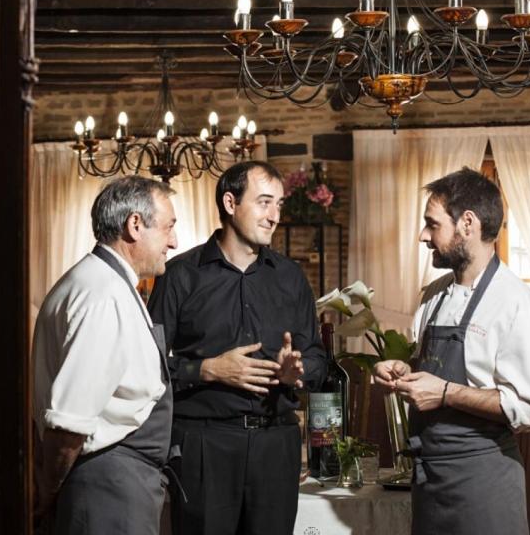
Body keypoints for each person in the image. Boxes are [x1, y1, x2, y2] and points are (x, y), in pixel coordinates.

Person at [148, 160, 326, 535]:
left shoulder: (291, 278)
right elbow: (148, 366)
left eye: (279, 204)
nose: (275, 215)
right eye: (264, 202)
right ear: (230, 203)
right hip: (203, 446)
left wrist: (297, 371)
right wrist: (208, 369)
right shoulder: (180, 275)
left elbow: (317, 359)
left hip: (276, 445)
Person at [374, 167, 530, 535]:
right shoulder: (433, 294)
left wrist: (446, 393)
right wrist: (402, 371)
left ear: (467, 224)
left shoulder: (515, 303)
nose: (423, 235)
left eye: (431, 224)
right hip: (429, 480)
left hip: (483, 484)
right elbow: (434, 371)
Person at [32, 175, 178, 535]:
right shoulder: (104, 294)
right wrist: (46, 496)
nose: (174, 242)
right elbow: (69, 425)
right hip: (106, 489)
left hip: (119, 486)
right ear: (135, 225)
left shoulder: (108, 284)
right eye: (169, 228)